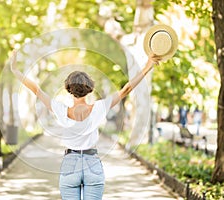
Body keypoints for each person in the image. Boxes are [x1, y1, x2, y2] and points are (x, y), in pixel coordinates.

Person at [10, 50, 160, 199]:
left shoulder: (61, 110)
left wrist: (15, 70)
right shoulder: (99, 108)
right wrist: (148, 65)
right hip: (92, 164)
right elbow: (126, 89)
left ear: (69, 89)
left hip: (70, 165)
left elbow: (36, 89)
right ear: (89, 89)